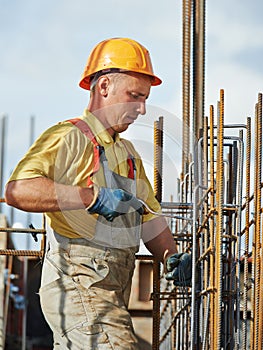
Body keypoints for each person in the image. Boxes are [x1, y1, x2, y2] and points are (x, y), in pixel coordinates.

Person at [5, 37, 191, 349]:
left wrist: (171, 257)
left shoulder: (128, 154)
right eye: (134, 96)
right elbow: (18, 190)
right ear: (104, 87)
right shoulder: (69, 137)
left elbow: (150, 216)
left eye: (145, 99)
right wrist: (91, 197)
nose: (142, 109)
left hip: (108, 293)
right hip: (78, 287)